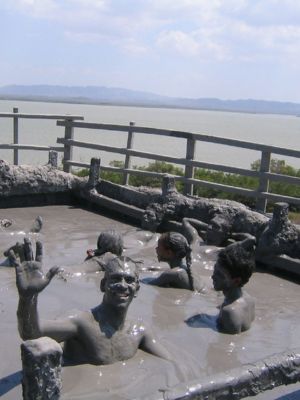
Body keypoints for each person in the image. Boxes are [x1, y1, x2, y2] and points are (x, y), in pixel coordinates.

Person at [9, 237, 170, 365]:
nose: (122, 285)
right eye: (115, 279)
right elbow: (31, 333)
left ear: (137, 289)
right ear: (102, 285)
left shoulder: (139, 331)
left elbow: (172, 364)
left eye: (129, 280)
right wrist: (27, 298)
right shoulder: (81, 323)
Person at [211, 236, 256, 334]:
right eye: (214, 270)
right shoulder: (249, 300)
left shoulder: (229, 312)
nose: (212, 276)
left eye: (219, 274)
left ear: (236, 281)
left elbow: (224, 347)